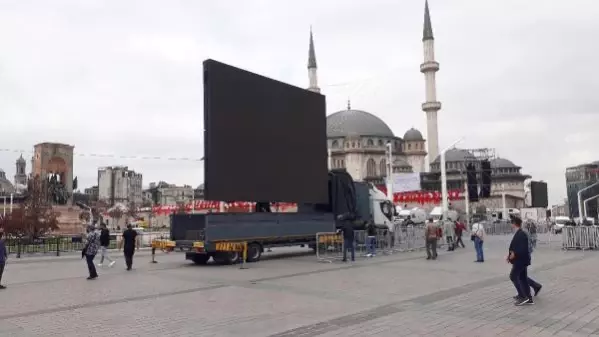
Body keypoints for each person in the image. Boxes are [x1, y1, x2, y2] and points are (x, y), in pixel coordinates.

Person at [508, 216, 534, 306]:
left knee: (513, 276)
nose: (511, 225)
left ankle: (523, 296)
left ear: (514, 224)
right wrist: (509, 256)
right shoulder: (519, 233)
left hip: (521, 260)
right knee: (522, 278)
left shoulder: (521, 234)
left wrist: (514, 254)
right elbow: (515, 247)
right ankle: (528, 297)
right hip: (521, 260)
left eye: (511, 223)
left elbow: (522, 248)